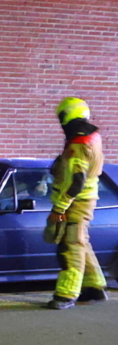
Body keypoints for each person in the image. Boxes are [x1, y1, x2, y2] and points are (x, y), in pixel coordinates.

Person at [46, 97, 108, 310]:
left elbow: (76, 181)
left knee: (69, 248)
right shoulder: (92, 137)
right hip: (85, 200)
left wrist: (59, 208)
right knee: (81, 243)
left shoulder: (78, 143)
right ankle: (95, 287)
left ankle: (66, 295)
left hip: (76, 203)